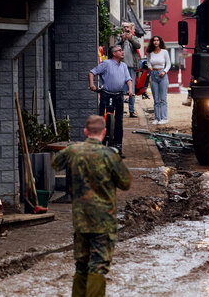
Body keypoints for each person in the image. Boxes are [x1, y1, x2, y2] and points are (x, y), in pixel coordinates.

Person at [51, 115, 131, 297]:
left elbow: (55, 163)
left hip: (81, 219)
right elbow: (126, 183)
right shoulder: (110, 155)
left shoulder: (74, 151)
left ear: (85, 132)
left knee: (81, 265)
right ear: (104, 133)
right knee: (98, 265)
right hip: (104, 220)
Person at [88, 45, 134, 157]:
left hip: (119, 95)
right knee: (101, 121)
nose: (122, 52)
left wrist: (130, 90)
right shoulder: (106, 64)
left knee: (119, 122)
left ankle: (118, 147)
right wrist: (92, 84)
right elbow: (92, 72)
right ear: (114, 53)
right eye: (119, 50)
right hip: (106, 94)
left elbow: (128, 79)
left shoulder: (123, 65)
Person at [118, 22, 142, 117]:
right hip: (120, 68)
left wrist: (130, 38)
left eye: (127, 27)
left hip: (131, 68)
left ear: (130, 28)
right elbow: (113, 48)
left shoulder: (134, 38)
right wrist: (122, 41)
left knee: (131, 90)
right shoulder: (119, 38)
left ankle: (131, 111)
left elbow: (138, 46)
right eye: (124, 27)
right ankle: (120, 110)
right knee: (120, 89)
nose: (126, 29)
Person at [146, 36, 171, 125]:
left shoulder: (164, 52)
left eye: (157, 40)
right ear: (152, 42)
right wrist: (149, 67)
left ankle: (164, 118)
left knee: (163, 98)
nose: (156, 42)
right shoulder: (150, 53)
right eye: (154, 40)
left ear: (160, 42)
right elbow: (148, 61)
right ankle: (157, 118)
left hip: (162, 74)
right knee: (156, 99)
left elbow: (168, 64)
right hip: (154, 75)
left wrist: (164, 71)